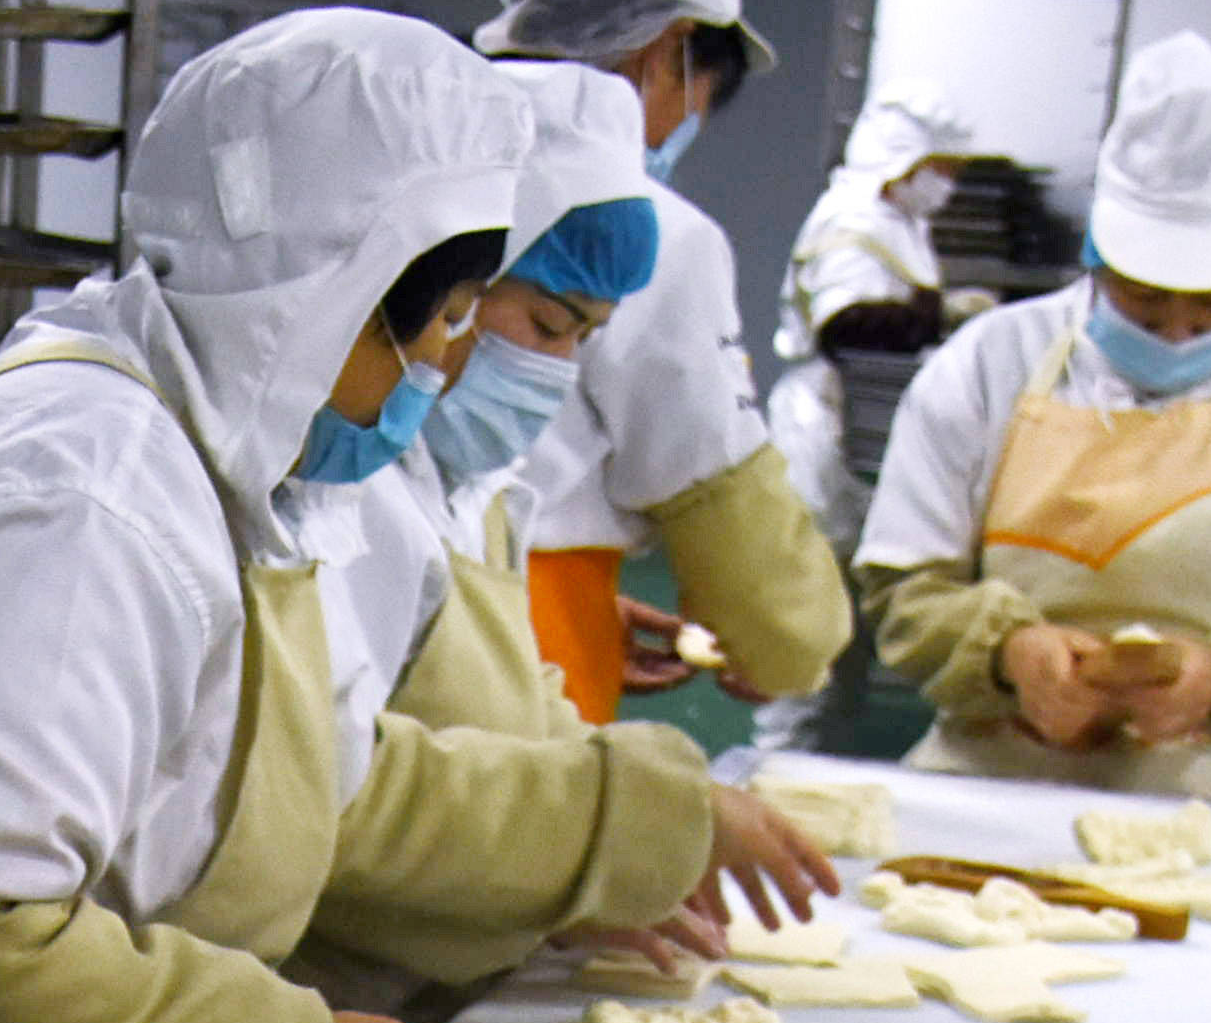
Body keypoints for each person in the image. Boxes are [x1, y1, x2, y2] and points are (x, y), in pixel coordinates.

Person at [0, 13, 781, 1023]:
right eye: (443, 322)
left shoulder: (238, 468)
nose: (446, 372)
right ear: (325, 290)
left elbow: (322, 777)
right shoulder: (79, 504)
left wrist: (615, 839)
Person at [309, 55, 837, 953]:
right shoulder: (328, 492)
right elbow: (331, 787)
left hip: (446, 945)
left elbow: (500, 717)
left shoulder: (474, 486)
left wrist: (586, 882)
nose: (556, 372)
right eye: (547, 327)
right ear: (447, 287)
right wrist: (627, 822)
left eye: (583, 339)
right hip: (340, 973)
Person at [856, 33, 1211, 810]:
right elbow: (906, 586)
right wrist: (1010, 656)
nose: (1177, 328)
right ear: (1095, 250)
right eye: (1145, 295)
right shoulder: (986, 364)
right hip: (989, 791)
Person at [471, 0, 855, 725]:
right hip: (528, 674)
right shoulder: (652, 231)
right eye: (698, 92)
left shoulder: (408, 157)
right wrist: (789, 639)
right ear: (669, 52)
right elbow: (718, 497)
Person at [769, 85, 984, 543]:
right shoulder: (853, 217)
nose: (948, 182)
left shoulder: (903, 223)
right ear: (902, 159)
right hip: (826, 420)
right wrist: (938, 319)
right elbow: (847, 327)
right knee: (814, 574)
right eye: (940, 168)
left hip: (870, 419)